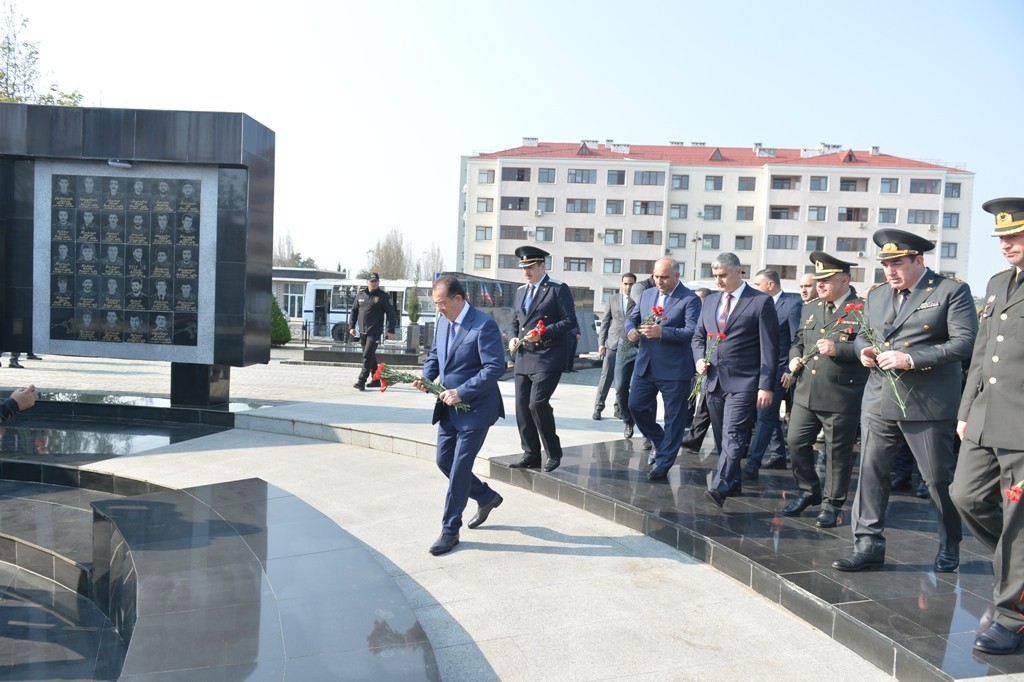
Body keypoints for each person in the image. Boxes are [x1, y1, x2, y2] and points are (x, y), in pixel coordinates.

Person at [833, 228, 977, 572]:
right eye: (886, 264)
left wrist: (910, 359)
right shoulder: (879, 295)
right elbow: (861, 337)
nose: (890, 271)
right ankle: (867, 543)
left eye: (898, 263)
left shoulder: (949, 291)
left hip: (927, 402)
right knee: (870, 473)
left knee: (936, 480)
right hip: (880, 397)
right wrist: (863, 351)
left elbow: (965, 343)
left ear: (919, 260)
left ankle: (949, 544)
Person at [950, 198, 1024, 654]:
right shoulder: (998, 283)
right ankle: (1015, 566)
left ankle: (1013, 616)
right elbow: (982, 354)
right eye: (1001, 236)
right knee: (966, 495)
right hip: (984, 416)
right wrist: (964, 411)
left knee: (1018, 518)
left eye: (1015, 235)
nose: (1005, 244)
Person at [414, 275, 506, 556]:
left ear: (458, 299)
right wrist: (426, 376)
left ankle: (449, 530)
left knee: (459, 470)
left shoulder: (483, 325)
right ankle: (486, 496)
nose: (438, 309)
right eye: (435, 304)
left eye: (441, 303)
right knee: (443, 460)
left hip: (476, 409)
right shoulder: (443, 322)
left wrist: (461, 392)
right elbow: (435, 355)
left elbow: (494, 367)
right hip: (449, 408)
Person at [783, 253, 868, 527]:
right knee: (795, 442)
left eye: (826, 280)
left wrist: (839, 349)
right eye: (818, 280)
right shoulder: (811, 307)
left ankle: (832, 504)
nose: (819, 285)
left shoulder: (862, 309)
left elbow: (869, 347)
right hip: (807, 391)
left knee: (837, 454)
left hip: (841, 394)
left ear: (845, 280)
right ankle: (809, 491)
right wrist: (793, 357)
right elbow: (798, 340)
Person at [693, 252, 779, 507]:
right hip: (714, 381)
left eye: (723, 275)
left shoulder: (760, 302)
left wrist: (766, 385)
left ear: (738, 271)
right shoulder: (709, 301)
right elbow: (699, 337)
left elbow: (769, 348)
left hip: (745, 382)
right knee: (722, 437)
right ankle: (734, 480)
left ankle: (720, 487)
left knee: (733, 434)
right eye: (715, 275)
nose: (718, 281)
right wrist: (699, 359)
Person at [625, 257, 700, 480]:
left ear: (677, 275)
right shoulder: (647, 294)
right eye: (656, 276)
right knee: (635, 406)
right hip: (646, 365)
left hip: (674, 370)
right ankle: (660, 441)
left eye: (664, 277)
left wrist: (663, 333)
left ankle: (664, 462)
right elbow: (632, 319)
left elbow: (693, 332)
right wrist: (631, 331)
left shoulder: (689, 299)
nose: (659, 281)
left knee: (674, 418)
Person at [506, 245, 577, 473]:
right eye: (523, 268)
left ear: (542, 266)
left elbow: (569, 321)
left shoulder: (557, 289)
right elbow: (514, 320)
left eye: (530, 267)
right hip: (524, 356)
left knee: (537, 404)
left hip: (548, 355)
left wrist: (543, 332)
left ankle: (553, 452)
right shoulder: (520, 292)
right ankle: (530, 454)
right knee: (522, 408)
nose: (526, 272)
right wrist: (513, 337)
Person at [743, 269, 802, 479]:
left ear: (770, 285)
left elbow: (797, 340)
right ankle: (777, 453)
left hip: (780, 370)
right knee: (768, 415)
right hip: (759, 369)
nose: (754, 288)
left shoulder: (791, 305)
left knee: (765, 414)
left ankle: (752, 462)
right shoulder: (757, 304)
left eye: (757, 284)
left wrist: (791, 369)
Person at [593, 273, 636, 431]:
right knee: (606, 377)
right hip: (612, 343)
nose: (628, 287)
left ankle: (619, 409)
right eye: (625, 284)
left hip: (629, 346)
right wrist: (601, 343)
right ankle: (598, 407)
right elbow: (605, 322)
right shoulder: (613, 299)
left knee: (623, 380)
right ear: (621, 284)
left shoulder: (637, 300)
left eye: (631, 284)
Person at [350, 272, 398, 390]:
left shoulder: (383, 296)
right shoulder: (360, 295)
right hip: (362, 332)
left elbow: (391, 314)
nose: (374, 283)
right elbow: (354, 311)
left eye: (376, 281)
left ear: (378, 282)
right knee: (370, 356)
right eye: (371, 281)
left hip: (375, 332)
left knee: (367, 355)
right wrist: (351, 326)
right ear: (367, 282)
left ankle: (361, 381)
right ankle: (376, 379)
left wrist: (390, 330)